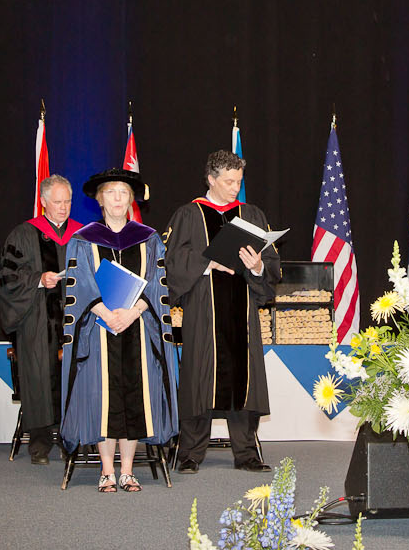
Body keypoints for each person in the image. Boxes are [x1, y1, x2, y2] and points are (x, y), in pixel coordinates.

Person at [59, 169, 178, 492]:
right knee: (105, 397)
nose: (117, 199)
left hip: (137, 327)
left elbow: (157, 284)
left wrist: (133, 311)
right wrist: (105, 312)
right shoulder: (83, 240)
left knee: (134, 397)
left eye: (123, 193)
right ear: (99, 199)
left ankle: (128, 470)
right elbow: (78, 284)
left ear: (131, 199)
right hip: (100, 329)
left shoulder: (149, 238)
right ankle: (107, 471)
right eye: (110, 192)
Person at [165, 150, 281, 474]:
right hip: (204, 312)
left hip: (241, 314)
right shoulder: (188, 215)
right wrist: (207, 262)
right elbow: (171, 262)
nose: (235, 189)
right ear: (211, 179)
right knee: (199, 380)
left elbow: (271, 266)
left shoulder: (252, 215)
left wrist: (258, 266)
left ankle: (246, 453)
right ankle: (190, 453)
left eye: (239, 182)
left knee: (244, 381)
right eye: (229, 182)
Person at [0, 174, 83, 465]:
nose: (63, 207)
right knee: (39, 378)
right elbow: (6, 278)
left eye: (67, 201)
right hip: (37, 321)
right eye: (57, 202)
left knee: (76, 376)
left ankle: (75, 437)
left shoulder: (82, 234)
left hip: (77, 322)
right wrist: (37, 279)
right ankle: (40, 443)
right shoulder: (22, 234)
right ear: (43, 202)